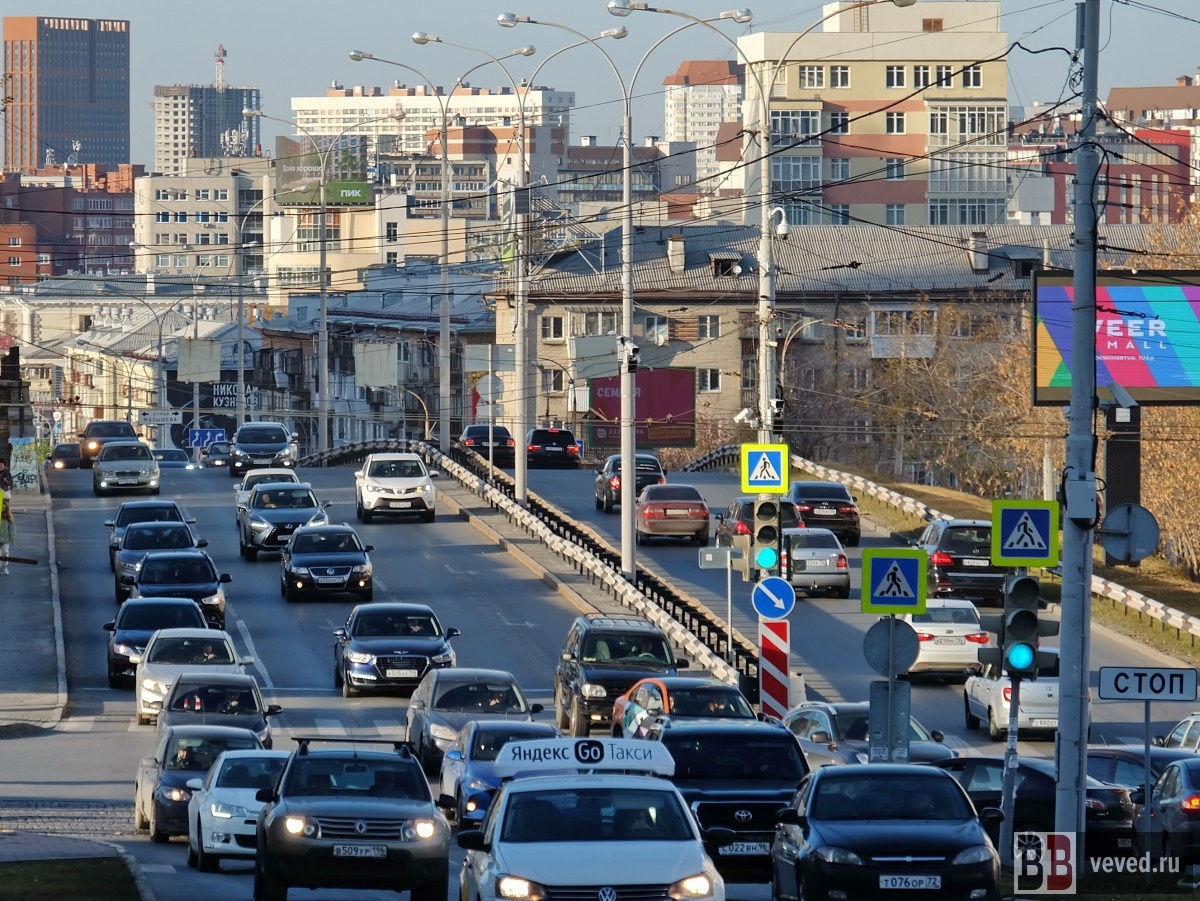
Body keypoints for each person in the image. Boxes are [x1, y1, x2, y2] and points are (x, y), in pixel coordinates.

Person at [0, 501, 15, 576]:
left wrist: (12, 538)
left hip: (5, 539)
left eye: (4, 508)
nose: (3, 509)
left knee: (5, 554)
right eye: (2, 507)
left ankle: (4, 567)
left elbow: (11, 528)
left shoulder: (9, 517)